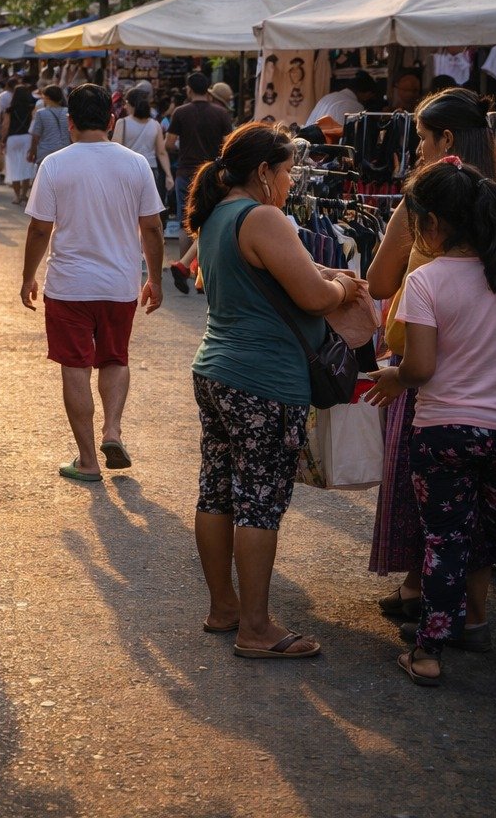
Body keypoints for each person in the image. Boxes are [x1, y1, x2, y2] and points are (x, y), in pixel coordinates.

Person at [364, 159, 496, 689]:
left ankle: (429, 654)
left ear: (433, 225)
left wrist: (393, 379)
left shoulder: (426, 282)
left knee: (446, 542)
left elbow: (421, 369)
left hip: (444, 434)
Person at [188, 124, 363, 660]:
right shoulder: (262, 217)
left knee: (217, 491)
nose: (290, 183)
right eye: (287, 172)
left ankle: (225, 609)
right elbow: (312, 297)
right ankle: (257, 628)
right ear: (264, 173)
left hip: (216, 370)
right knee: (260, 502)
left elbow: (229, 282)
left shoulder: (216, 216)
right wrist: (344, 285)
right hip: (263, 380)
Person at [21, 84, 165, 479]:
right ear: (111, 121)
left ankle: (87, 460)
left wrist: (27, 276)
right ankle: (113, 429)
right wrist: (154, 278)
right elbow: (152, 227)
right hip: (119, 284)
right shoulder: (136, 164)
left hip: (69, 286)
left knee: (75, 366)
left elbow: (39, 230)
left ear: (70, 123)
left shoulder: (55, 164)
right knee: (115, 357)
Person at [168, 72, 234, 265]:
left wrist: (184, 146)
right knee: (210, 218)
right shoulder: (220, 113)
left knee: (185, 221)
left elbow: (169, 144)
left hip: (185, 172)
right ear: (208, 90)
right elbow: (228, 144)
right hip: (212, 173)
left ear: (189, 89)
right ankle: (204, 266)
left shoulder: (180, 112)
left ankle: (184, 266)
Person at [117, 85, 173, 208]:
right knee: (149, 208)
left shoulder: (122, 123)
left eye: (126, 103)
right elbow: (161, 152)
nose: (125, 107)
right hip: (150, 170)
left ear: (131, 104)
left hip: (128, 171)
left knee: (129, 207)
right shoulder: (155, 125)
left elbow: (115, 150)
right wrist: (169, 175)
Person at [1, 84, 38, 205]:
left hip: (12, 139)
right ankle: (24, 195)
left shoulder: (9, 110)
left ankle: (17, 196)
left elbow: (6, 126)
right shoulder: (31, 108)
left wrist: (2, 140)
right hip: (27, 137)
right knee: (26, 167)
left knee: (14, 168)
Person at [26, 84, 70, 171]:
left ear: (47, 97)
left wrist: (32, 152)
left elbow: (36, 137)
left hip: (46, 153)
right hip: (65, 151)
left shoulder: (41, 113)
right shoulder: (68, 112)